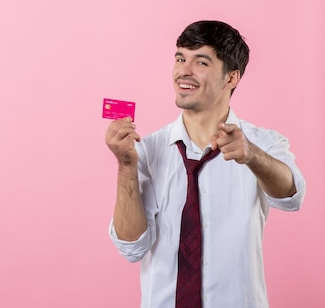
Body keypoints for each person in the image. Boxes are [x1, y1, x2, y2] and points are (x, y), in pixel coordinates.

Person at [105, 20, 305, 308]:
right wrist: (126, 165)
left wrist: (251, 156)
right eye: (180, 58)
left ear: (231, 78)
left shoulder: (263, 144)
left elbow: (291, 196)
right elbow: (131, 246)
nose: (183, 71)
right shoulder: (146, 150)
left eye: (201, 62)